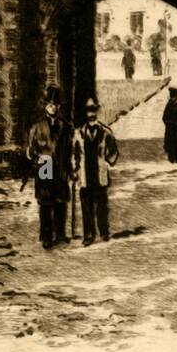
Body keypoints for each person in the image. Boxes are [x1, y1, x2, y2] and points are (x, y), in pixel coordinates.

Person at [25, 85, 72, 250]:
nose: (53, 107)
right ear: (45, 105)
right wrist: (39, 160)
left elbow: (70, 149)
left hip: (60, 167)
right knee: (45, 203)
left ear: (59, 106)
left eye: (56, 104)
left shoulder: (66, 127)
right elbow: (30, 152)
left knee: (60, 200)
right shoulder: (37, 128)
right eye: (50, 104)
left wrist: (71, 169)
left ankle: (60, 233)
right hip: (45, 166)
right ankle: (46, 236)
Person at [71, 98, 119, 246]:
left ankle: (104, 231)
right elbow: (74, 153)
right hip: (85, 174)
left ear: (96, 112)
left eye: (93, 110)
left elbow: (114, 151)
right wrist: (74, 169)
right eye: (88, 111)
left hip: (99, 174)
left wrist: (107, 162)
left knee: (102, 205)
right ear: (86, 114)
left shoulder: (105, 132)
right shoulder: (78, 133)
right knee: (86, 207)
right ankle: (89, 235)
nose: (91, 113)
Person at [162, 87, 177, 164]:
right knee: (171, 143)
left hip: (176, 128)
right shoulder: (168, 105)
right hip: (171, 129)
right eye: (176, 96)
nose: (176, 98)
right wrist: (171, 123)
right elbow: (164, 118)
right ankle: (171, 159)